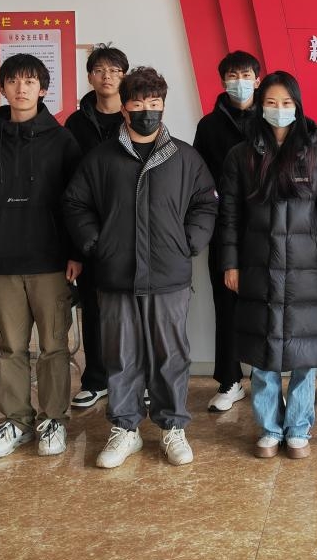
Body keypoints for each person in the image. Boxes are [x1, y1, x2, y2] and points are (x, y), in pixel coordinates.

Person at [64, 66, 217, 469]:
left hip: (169, 275)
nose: (146, 109)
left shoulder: (184, 156)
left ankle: (172, 427)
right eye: (138, 103)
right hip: (117, 275)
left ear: (163, 106)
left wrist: (190, 241)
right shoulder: (101, 158)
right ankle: (125, 429)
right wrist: (95, 243)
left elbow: (206, 203)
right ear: (124, 109)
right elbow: (75, 203)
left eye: (154, 102)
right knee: (121, 355)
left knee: (171, 356)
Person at [219, 70, 317, 459]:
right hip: (258, 264)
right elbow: (229, 216)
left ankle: (299, 427)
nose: (278, 109)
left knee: (305, 351)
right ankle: (269, 427)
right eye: (271, 102)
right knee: (263, 350)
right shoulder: (241, 155)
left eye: (286, 103)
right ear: (260, 106)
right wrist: (230, 263)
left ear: (298, 106)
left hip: (308, 267)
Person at [0, 53, 82, 459]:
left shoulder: (62, 141)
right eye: (13, 81)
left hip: (50, 261)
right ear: (2, 87)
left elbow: (76, 203)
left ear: (43, 89)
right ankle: (17, 420)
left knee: (53, 346)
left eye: (30, 81)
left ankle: (53, 419)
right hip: (2, 261)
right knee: (10, 346)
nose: (21, 88)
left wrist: (75, 253)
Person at [192, 50, 261, 412]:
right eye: (232, 76)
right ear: (222, 81)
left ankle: (266, 377)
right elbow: (199, 178)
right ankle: (230, 379)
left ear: (257, 80)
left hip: (267, 228)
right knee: (227, 304)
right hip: (225, 227)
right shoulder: (208, 126)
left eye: (246, 75)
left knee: (266, 303)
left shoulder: (271, 118)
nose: (239, 82)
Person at [63, 43, 130, 410]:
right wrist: (75, 247)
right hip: (89, 227)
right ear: (90, 76)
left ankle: (133, 377)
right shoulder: (76, 124)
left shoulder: (135, 116)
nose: (108, 77)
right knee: (93, 306)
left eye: (115, 70)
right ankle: (95, 379)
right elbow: (67, 185)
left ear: (125, 76)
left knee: (132, 308)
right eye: (100, 70)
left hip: (129, 227)